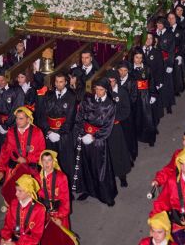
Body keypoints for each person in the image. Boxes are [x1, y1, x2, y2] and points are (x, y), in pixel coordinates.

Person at [74, 78, 117, 206]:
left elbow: (108, 126)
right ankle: (88, 189)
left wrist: (93, 136)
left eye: (101, 90)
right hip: (85, 138)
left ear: (106, 90)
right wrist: (82, 133)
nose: (98, 92)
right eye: (96, 89)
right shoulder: (87, 100)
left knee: (100, 168)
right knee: (86, 165)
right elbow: (80, 117)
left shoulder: (110, 105)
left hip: (98, 141)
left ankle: (105, 194)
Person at [42, 72, 76, 184]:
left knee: (65, 161)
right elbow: (43, 115)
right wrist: (48, 131)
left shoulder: (71, 96)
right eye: (56, 82)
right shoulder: (48, 95)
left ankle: (66, 186)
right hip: (50, 134)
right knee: (50, 161)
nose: (58, 84)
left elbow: (70, 118)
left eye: (61, 82)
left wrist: (59, 133)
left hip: (64, 134)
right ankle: (51, 185)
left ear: (66, 82)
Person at [0, 107, 46, 182]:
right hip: (13, 169)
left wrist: (27, 159)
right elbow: (5, 152)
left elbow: (42, 152)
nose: (17, 121)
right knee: (11, 192)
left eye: (21, 118)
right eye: (17, 118)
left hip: (31, 170)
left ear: (28, 119)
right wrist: (0, 169)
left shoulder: (37, 132)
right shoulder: (11, 132)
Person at [0, 71, 25, 172]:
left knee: (10, 150)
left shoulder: (16, 91)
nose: (0, 82)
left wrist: (6, 125)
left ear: (7, 79)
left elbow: (16, 109)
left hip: (11, 126)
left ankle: (10, 173)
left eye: (2, 80)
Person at [0, 174, 46, 245]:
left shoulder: (39, 209)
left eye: (20, 191)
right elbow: (7, 225)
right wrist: (4, 238)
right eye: (16, 190)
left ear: (29, 192)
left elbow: (36, 237)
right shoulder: (13, 203)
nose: (16, 193)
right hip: (13, 239)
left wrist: (16, 244)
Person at [107, 70, 132, 187]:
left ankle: (122, 176)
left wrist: (114, 118)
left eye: (112, 81)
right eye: (108, 81)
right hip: (105, 128)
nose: (110, 84)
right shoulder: (105, 92)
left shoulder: (122, 92)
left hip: (117, 126)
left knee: (119, 152)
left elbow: (126, 110)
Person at [37, 150, 70, 228]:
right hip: (43, 212)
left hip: (57, 212)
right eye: (44, 160)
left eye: (49, 160)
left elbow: (65, 199)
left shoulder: (61, 177)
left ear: (53, 162)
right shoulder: (38, 177)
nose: (47, 163)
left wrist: (60, 217)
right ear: (41, 162)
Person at [131, 48, 157, 146]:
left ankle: (150, 139)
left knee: (148, 118)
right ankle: (137, 136)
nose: (138, 60)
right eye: (136, 57)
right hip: (134, 97)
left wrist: (153, 94)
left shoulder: (147, 68)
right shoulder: (129, 69)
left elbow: (151, 82)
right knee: (136, 118)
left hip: (145, 95)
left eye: (141, 58)